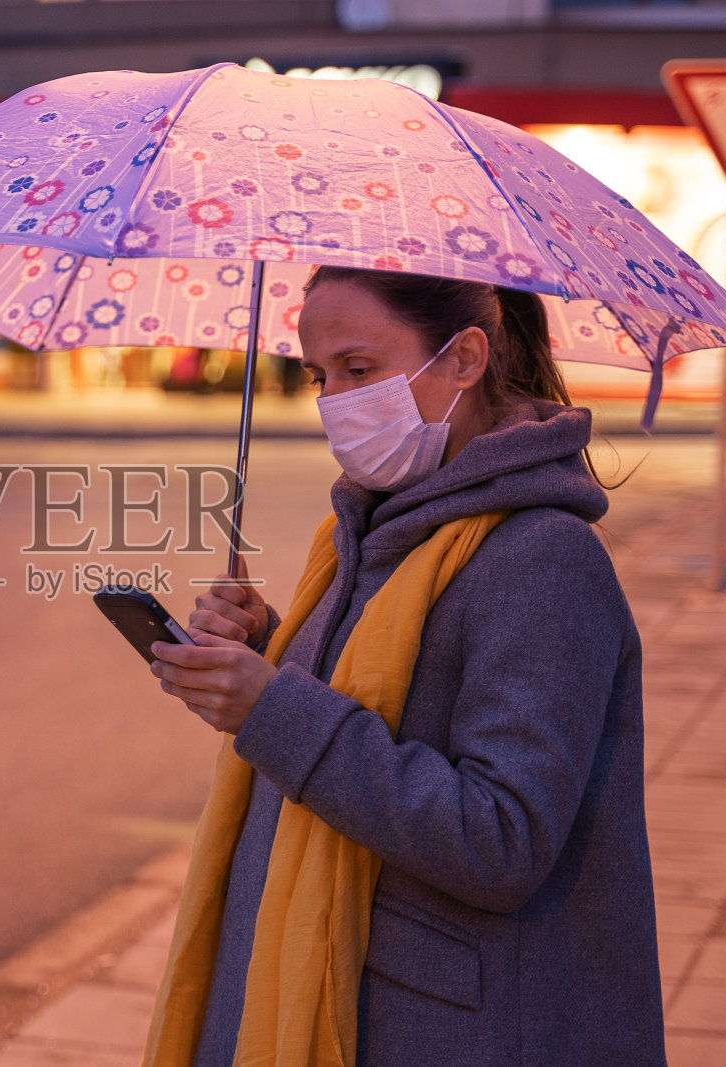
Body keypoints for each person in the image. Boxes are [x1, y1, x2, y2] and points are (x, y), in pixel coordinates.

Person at [140, 268, 664, 1066]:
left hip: (443, 1024)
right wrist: (265, 648)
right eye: (319, 375)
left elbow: (502, 839)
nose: (334, 401)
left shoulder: (543, 559)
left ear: (464, 358)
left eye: (359, 369)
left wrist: (270, 708)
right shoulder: (373, 530)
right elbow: (378, 707)